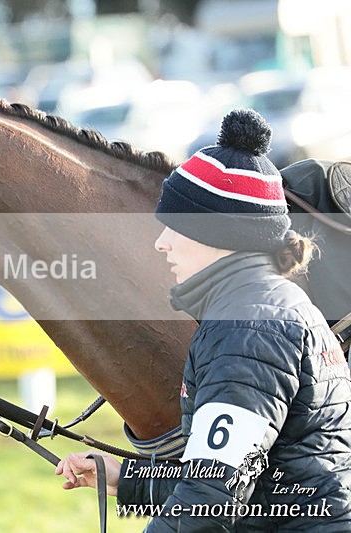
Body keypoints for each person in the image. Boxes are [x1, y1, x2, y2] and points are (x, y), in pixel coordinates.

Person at [56, 109, 351, 530]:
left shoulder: (248, 328)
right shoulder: (267, 307)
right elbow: (239, 477)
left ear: (219, 235)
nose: (161, 244)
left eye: (175, 227)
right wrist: (124, 478)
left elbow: (212, 497)